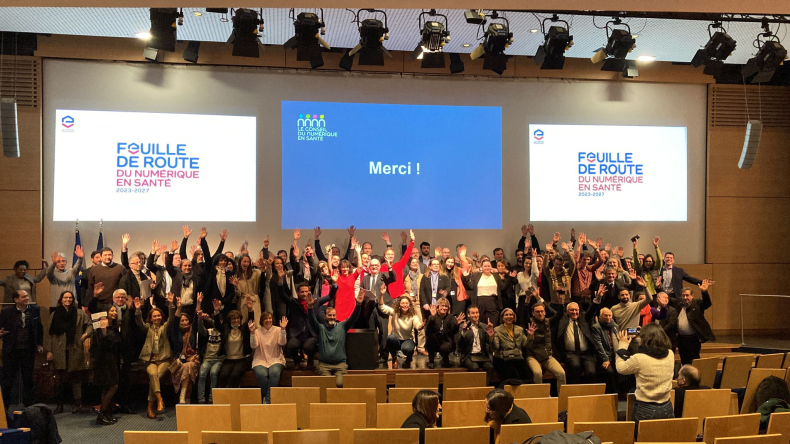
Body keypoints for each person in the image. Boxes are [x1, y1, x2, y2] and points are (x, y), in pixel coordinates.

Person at [615, 323, 675, 439]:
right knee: (665, 440)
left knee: (642, 440)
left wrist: (622, 345)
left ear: (646, 340)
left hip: (645, 408)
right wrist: (643, 331)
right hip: (667, 407)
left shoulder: (639, 359)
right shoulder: (670, 354)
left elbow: (621, 368)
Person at [307, 279, 363, 387]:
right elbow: (312, 320)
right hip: (324, 365)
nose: (332, 317)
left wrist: (358, 305)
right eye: (329, 315)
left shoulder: (342, 326)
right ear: (325, 316)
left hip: (340, 365)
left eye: (334, 315)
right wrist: (310, 308)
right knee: (327, 385)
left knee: (339, 384)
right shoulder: (320, 328)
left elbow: (353, 318)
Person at [45, 290, 92, 414]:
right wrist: (49, 351)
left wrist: (84, 336)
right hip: (58, 350)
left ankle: (78, 405)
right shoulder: (55, 314)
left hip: (74, 349)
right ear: (61, 299)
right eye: (65, 297)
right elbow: (49, 334)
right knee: (59, 379)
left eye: (70, 297)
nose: (68, 299)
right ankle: (59, 405)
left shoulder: (79, 313)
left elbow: (90, 325)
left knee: (76, 378)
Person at [134, 294, 176, 419]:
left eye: (158, 315)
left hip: (164, 360)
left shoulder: (164, 328)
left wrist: (171, 305)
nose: (157, 317)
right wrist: (138, 310)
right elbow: (139, 322)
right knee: (153, 374)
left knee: (155, 377)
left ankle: (150, 406)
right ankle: (159, 398)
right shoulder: (148, 329)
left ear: (161, 317)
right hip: (150, 361)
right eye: (154, 316)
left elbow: (172, 318)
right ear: (151, 318)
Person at [0, 290, 44, 408]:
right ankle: (4, 408)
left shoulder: (34, 310)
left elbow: (39, 328)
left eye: (27, 296)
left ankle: (29, 408)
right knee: (8, 381)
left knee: (28, 380)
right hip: (11, 351)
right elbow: (1, 327)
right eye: (23, 297)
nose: (27, 298)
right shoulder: (6, 312)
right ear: (16, 300)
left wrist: (39, 344)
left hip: (28, 351)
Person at [555, 294, 600, 385]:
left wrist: (598, 298)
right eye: (572, 310)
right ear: (567, 311)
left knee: (591, 372)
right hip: (571, 353)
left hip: (586, 353)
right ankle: (576, 391)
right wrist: (560, 303)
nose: (575, 312)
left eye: (576, 310)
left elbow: (592, 310)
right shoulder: (562, 319)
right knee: (575, 367)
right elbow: (553, 312)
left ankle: (590, 392)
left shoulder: (584, 318)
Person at [524, 298, 566, 388]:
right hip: (533, 356)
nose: (540, 313)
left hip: (547, 356)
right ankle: (541, 395)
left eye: (542, 311)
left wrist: (561, 303)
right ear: (533, 313)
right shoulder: (530, 322)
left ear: (545, 312)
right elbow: (523, 314)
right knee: (537, 373)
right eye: (537, 312)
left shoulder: (548, 322)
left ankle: (562, 396)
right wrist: (527, 301)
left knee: (561, 373)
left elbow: (558, 316)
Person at [168, 298, 203, 405]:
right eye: (182, 321)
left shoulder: (192, 331)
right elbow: (175, 321)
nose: (185, 322)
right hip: (179, 362)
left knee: (189, 366)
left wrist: (198, 303)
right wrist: (178, 308)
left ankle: (182, 396)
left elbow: (196, 317)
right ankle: (186, 400)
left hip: (193, 359)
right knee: (188, 371)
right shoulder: (175, 333)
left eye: (186, 320)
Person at [378, 290, 423, 369]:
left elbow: (417, 325)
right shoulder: (395, 313)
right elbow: (381, 306)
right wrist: (381, 295)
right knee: (390, 338)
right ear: (399, 304)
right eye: (403, 303)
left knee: (407, 349)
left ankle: (408, 359)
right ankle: (394, 358)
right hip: (397, 339)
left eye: (406, 303)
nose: (404, 305)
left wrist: (421, 326)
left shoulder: (413, 315)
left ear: (409, 305)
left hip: (407, 340)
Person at [91, 308, 121, 425]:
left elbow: (117, 342)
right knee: (113, 385)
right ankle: (102, 413)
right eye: (111, 311)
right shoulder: (99, 329)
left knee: (107, 387)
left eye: (115, 311)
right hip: (103, 361)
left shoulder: (114, 326)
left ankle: (106, 413)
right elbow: (100, 346)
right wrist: (103, 332)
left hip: (112, 359)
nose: (114, 313)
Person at [487, 308, 534, 382]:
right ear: (502, 318)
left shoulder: (519, 329)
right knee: (514, 376)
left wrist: (530, 336)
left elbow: (526, 345)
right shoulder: (497, 330)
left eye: (511, 315)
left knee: (528, 376)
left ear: (514, 317)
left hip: (517, 357)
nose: (509, 316)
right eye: (506, 315)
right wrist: (491, 337)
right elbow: (495, 348)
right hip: (502, 359)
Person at [250, 312, 287, 403]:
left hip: (276, 359)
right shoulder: (257, 331)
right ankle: (268, 398)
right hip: (260, 360)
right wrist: (252, 333)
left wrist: (283, 329)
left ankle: (267, 400)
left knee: (274, 373)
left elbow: (282, 343)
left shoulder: (278, 329)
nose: (268, 320)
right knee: (262, 374)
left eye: (270, 318)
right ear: (262, 321)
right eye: (265, 318)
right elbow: (254, 345)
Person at [676, 280, 715, 365]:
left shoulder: (697, 304)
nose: (685, 297)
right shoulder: (679, 306)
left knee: (694, 360)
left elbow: (707, 303)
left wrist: (704, 292)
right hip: (681, 339)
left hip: (693, 339)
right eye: (683, 295)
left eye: (687, 295)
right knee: (684, 360)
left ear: (692, 296)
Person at [215, 306, 253, 388]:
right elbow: (217, 325)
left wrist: (250, 309)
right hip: (229, 359)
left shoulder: (244, 328)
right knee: (223, 375)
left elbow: (251, 321)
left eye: (237, 318)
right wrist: (216, 311)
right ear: (230, 320)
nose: (236, 320)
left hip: (242, 359)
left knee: (235, 375)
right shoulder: (226, 328)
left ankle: (235, 394)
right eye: (233, 319)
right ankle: (223, 395)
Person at [462, 258, 504, 326]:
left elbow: (502, 287)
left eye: (488, 266)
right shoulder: (476, 276)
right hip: (480, 302)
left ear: (491, 266)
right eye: (485, 266)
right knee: (481, 323)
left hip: (493, 302)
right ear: (481, 267)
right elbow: (471, 286)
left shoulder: (496, 276)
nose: (487, 268)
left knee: (493, 323)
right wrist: (466, 276)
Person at [457, 305, 494, 382]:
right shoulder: (463, 326)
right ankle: (477, 387)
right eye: (473, 313)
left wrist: (491, 337)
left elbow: (490, 346)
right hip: (468, 355)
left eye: (477, 313)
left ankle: (485, 387)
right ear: (468, 315)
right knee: (475, 368)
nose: (475, 315)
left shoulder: (484, 326)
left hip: (481, 355)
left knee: (490, 367)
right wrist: (463, 333)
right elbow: (459, 346)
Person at [424, 297, 461, 369]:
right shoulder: (433, 317)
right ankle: (431, 361)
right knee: (430, 338)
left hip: (446, 341)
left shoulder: (451, 317)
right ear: (438, 307)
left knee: (445, 348)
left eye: (446, 306)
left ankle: (445, 359)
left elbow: (455, 331)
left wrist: (457, 324)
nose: (444, 308)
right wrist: (432, 318)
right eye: (442, 306)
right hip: (435, 341)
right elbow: (427, 332)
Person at [87, 246, 127, 312]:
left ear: (113, 256)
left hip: (116, 304)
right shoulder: (93, 270)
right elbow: (90, 287)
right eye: (105, 255)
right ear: (101, 257)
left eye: (109, 255)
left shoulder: (120, 268)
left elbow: (125, 286)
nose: (108, 257)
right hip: (99, 304)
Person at [591, 307, 620, 394]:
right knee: (610, 372)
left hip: (615, 354)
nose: (608, 317)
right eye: (605, 315)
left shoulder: (615, 326)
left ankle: (622, 393)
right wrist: (605, 359)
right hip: (604, 355)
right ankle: (612, 394)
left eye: (609, 315)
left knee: (622, 370)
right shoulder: (596, 327)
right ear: (600, 317)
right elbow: (598, 345)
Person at [403, 258, 427, 354]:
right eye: (412, 262)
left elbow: (425, 289)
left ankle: (421, 348)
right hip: (409, 304)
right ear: (409, 264)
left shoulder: (422, 276)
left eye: (416, 262)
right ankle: (411, 348)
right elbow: (402, 289)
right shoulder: (405, 277)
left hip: (419, 303)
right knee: (410, 326)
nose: (414, 264)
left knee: (421, 325)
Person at [420, 258, 450, 324]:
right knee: (430, 323)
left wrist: (445, 292)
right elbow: (422, 291)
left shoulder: (444, 276)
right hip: (429, 305)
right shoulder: (425, 277)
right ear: (430, 266)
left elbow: (448, 287)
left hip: (440, 305)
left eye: (437, 264)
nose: (436, 266)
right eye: (434, 264)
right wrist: (425, 303)